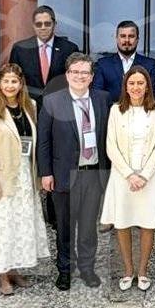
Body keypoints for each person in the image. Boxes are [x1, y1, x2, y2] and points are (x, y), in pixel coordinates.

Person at [38, 53, 111, 289]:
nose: (80, 76)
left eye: (85, 72)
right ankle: (65, 270)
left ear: (92, 76)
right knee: (65, 227)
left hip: (93, 172)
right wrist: (45, 172)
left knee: (89, 226)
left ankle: (87, 269)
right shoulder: (52, 101)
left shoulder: (102, 99)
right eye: (75, 72)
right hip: (64, 173)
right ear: (67, 75)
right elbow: (44, 141)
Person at [0, 63, 50, 296]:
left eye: (14, 81)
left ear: (21, 84)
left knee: (19, 225)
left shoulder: (31, 106)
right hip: (2, 176)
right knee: (3, 226)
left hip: (25, 175)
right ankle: (2, 275)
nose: (10, 85)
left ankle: (15, 269)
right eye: (6, 81)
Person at [101, 66, 155, 291]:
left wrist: (144, 175)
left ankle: (143, 271)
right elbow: (111, 146)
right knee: (123, 222)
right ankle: (128, 270)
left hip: (148, 177)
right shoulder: (115, 110)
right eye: (132, 83)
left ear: (147, 86)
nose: (136, 87)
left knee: (147, 223)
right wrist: (129, 174)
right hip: (122, 176)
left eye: (140, 83)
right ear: (125, 87)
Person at [9, 5, 81, 104]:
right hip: (29, 105)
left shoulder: (69, 49)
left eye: (47, 24)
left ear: (54, 24)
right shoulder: (20, 49)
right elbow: (13, 79)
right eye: (39, 24)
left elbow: (76, 81)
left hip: (60, 105)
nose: (43, 28)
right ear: (33, 25)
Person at [93, 20, 155, 101]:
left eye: (131, 36)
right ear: (116, 38)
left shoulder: (150, 65)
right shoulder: (103, 64)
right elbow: (97, 96)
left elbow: (154, 97)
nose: (127, 40)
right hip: (110, 109)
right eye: (123, 36)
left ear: (137, 39)